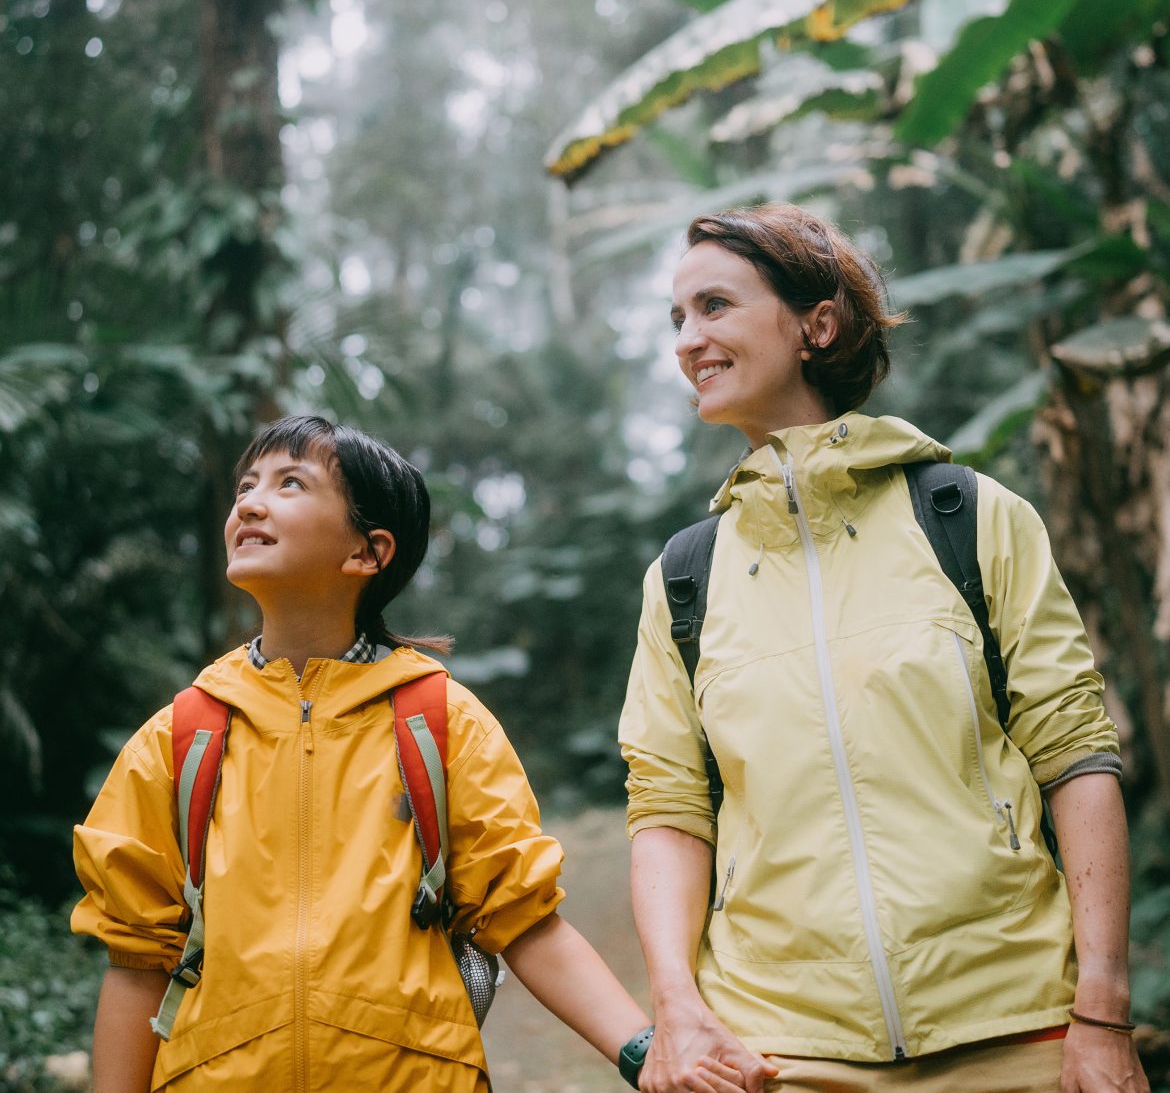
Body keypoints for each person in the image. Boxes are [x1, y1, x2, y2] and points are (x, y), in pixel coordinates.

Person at [618, 203, 1150, 1093]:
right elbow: (669, 812)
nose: (687, 339)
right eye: (678, 318)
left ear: (815, 326)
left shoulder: (972, 517)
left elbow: (1076, 759)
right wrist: (678, 1011)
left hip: (1016, 1033)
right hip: (781, 1055)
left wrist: (1101, 1012)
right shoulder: (685, 578)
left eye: (714, 306)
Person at [72, 415, 744, 1093]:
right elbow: (137, 962)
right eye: (246, 486)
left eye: (290, 483)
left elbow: (524, 922)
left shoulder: (441, 722)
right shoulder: (180, 737)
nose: (248, 501)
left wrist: (642, 1050)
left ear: (368, 552)